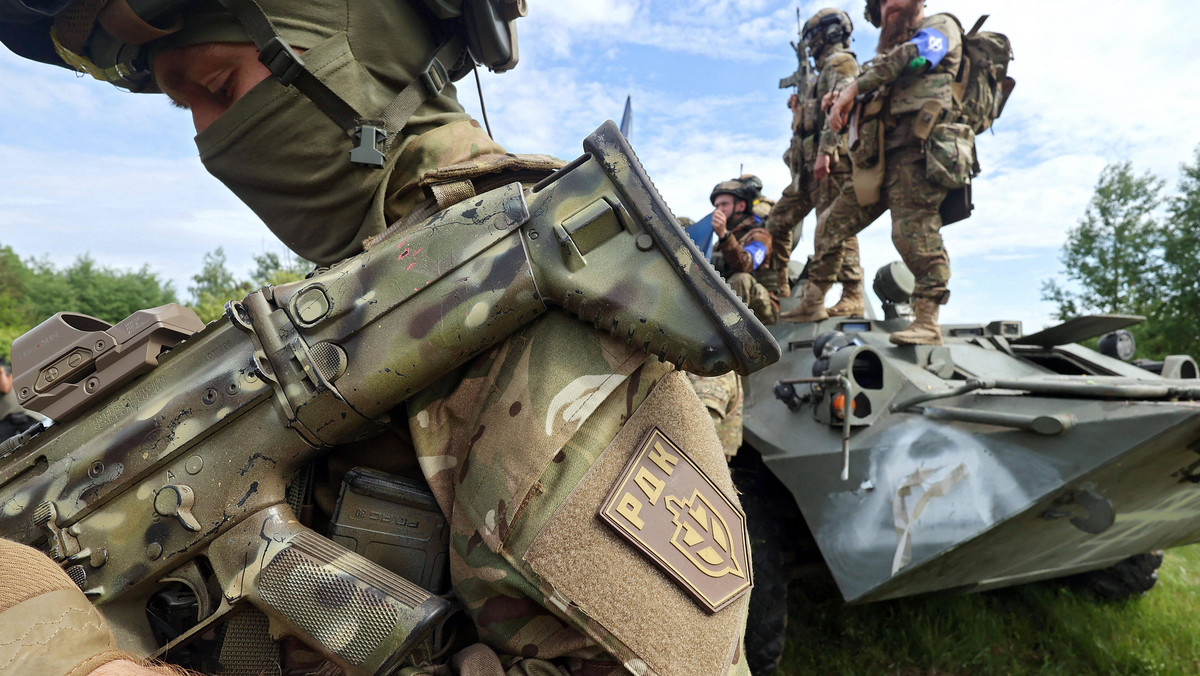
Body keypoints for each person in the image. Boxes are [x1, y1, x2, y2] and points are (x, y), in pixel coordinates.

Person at [0, 1, 752, 674]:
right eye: (184, 107)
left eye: (219, 87)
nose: (206, 135)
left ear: (338, 51)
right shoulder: (362, 289)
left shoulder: (528, 293)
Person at [792, 0, 966, 344]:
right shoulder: (883, 64)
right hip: (877, 162)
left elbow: (916, 57)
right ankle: (814, 302)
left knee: (913, 235)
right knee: (830, 223)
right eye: (882, 4)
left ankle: (927, 323)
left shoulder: (939, 29)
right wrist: (845, 97)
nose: (889, 6)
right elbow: (881, 79)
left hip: (917, 155)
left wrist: (853, 89)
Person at [768, 8, 864, 317]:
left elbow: (841, 109)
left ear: (831, 32)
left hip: (830, 165)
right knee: (778, 222)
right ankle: (781, 288)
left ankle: (852, 294)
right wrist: (801, 109)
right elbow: (815, 118)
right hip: (807, 172)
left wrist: (826, 151)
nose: (809, 43)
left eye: (811, 35)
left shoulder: (841, 63)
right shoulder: (821, 73)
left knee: (837, 227)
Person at [711, 178, 778, 325]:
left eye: (724, 204)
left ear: (741, 206)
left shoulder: (760, 235)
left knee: (741, 278)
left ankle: (728, 333)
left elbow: (746, 265)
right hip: (727, 303)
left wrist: (724, 235)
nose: (719, 210)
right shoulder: (718, 244)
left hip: (762, 307)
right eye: (716, 206)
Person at [0, 356, 37, 440]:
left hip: (27, 415)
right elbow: (5, 388)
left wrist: (4, 371)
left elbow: (6, 387)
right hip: (5, 420)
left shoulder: (13, 370)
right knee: (5, 449)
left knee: (38, 439)